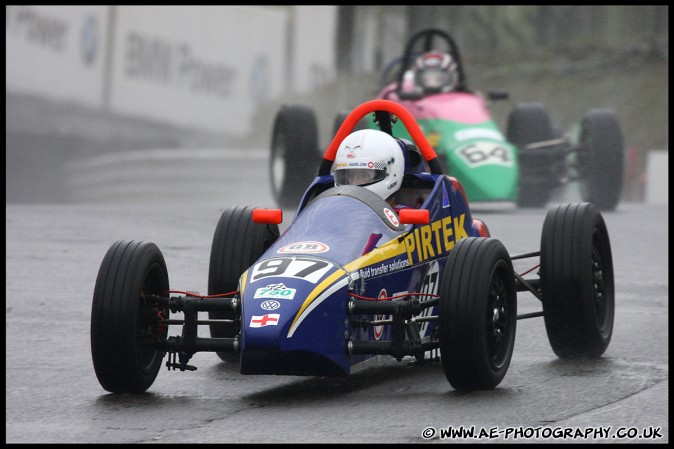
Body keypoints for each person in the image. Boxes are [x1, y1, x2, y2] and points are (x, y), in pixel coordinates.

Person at [333, 129, 418, 211]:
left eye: (363, 175)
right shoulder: (333, 212)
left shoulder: (403, 220)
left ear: (391, 172)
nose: (354, 183)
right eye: (351, 176)